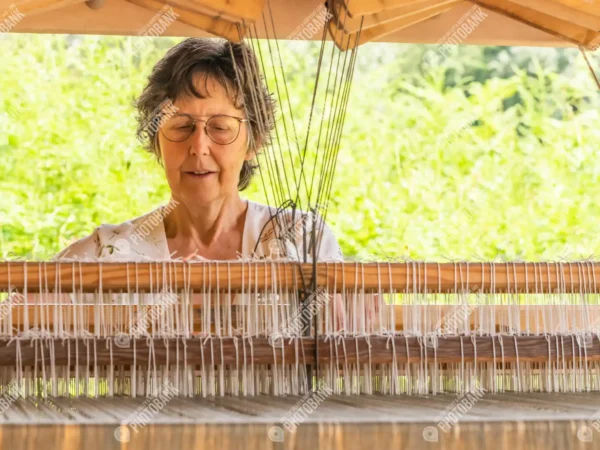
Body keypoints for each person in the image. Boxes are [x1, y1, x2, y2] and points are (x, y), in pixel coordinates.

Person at [56, 38, 342, 263]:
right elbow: (14, 324)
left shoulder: (303, 242)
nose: (199, 147)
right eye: (181, 126)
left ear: (253, 142)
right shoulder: (106, 254)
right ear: (157, 139)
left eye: (220, 127)